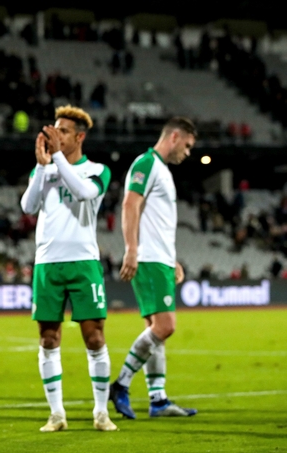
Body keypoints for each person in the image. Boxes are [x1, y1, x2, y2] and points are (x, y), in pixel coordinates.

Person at [19, 106, 117, 432]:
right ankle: (57, 414)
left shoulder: (97, 170)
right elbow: (28, 207)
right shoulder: (45, 169)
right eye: (55, 129)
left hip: (84, 263)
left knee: (95, 337)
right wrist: (40, 165)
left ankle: (101, 412)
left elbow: (85, 192)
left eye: (63, 131)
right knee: (48, 339)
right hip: (47, 264)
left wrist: (57, 159)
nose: (56, 135)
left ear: (79, 137)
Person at [110, 117, 198, 419]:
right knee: (165, 326)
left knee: (155, 331)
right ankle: (121, 384)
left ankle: (158, 400)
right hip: (148, 259)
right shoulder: (146, 164)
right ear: (174, 137)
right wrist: (132, 250)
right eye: (187, 145)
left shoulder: (162, 170)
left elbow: (157, 222)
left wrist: (171, 258)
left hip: (160, 258)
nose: (187, 152)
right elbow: (130, 204)